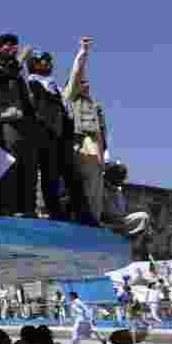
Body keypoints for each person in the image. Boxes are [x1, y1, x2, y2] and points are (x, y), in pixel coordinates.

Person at [0, 32, 39, 217]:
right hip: (5, 123)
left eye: (13, 44)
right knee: (8, 165)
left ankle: (27, 209)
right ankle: (7, 209)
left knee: (29, 167)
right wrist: (22, 58)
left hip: (25, 126)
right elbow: (5, 75)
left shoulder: (19, 75)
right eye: (6, 45)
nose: (11, 47)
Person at [63, 37, 105, 225]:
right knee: (80, 184)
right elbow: (76, 73)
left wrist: (102, 154)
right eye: (83, 82)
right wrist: (83, 53)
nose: (86, 85)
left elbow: (101, 134)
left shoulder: (94, 106)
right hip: (79, 144)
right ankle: (81, 217)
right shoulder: (70, 98)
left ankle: (94, 219)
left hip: (95, 149)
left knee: (96, 185)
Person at [24, 48, 68, 220]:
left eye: (49, 60)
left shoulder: (54, 86)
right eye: (43, 59)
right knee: (33, 172)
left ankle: (53, 210)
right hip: (36, 130)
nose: (48, 63)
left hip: (53, 134)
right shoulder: (29, 82)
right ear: (34, 63)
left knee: (52, 175)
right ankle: (33, 208)